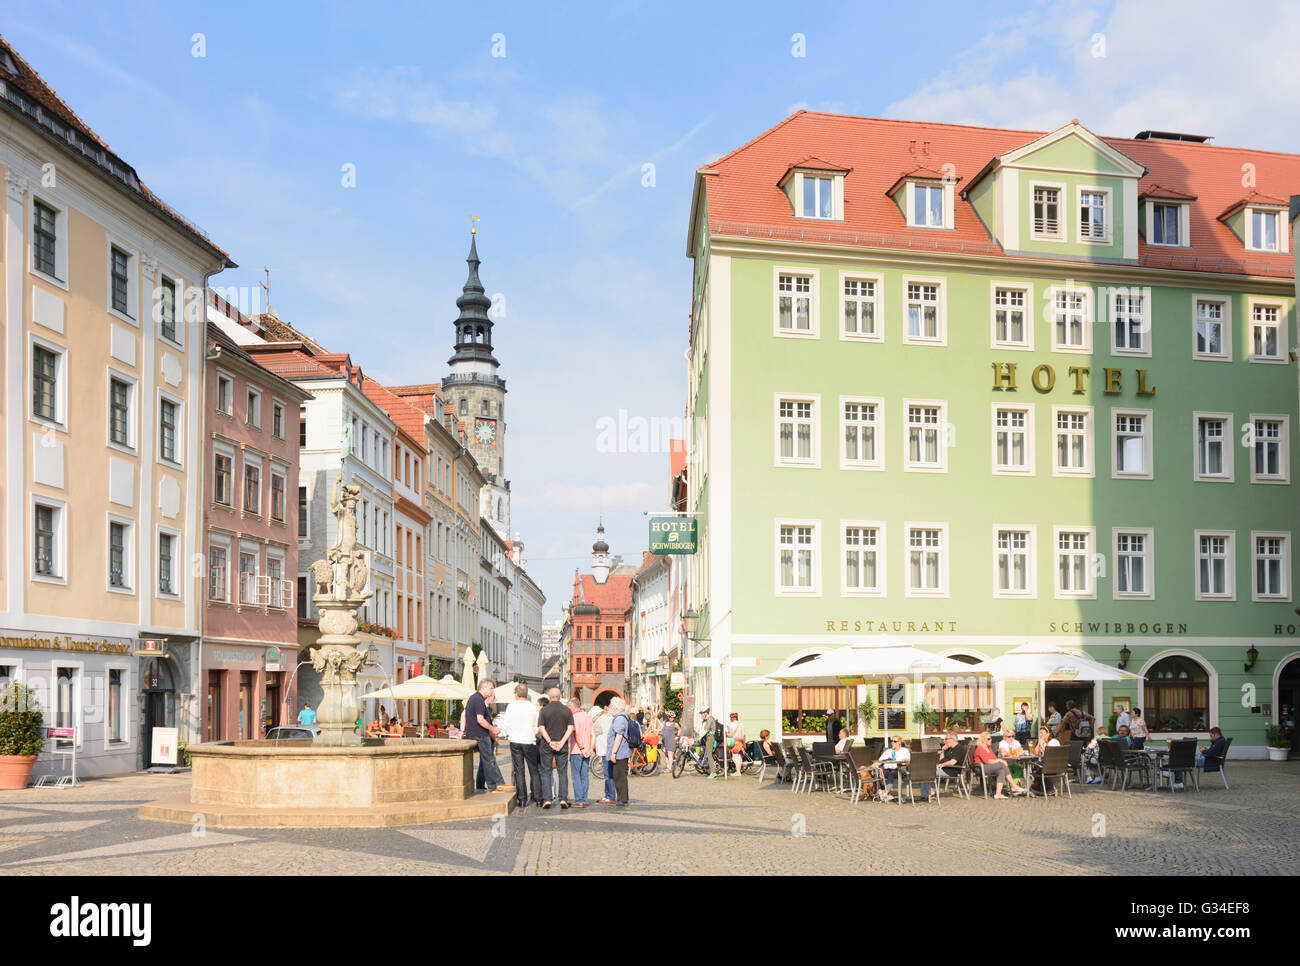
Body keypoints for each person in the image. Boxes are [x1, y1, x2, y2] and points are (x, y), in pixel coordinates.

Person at [499, 683, 542, 808]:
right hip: (529, 740)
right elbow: (537, 725)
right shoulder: (533, 707)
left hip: (515, 740)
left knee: (519, 770)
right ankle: (538, 798)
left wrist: (510, 734)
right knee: (533, 770)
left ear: (516, 694)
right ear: (526, 694)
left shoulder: (511, 707)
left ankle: (522, 799)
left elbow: (506, 724)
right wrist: (533, 733)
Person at [464, 679, 506, 793]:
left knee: (489, 760)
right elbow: (480, 720)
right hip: (480, 735)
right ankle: (494, 786)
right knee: (489, 761)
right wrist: (494, 729)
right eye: (491, 688)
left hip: (477, 734)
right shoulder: (478, 700)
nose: (492, 691)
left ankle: (500, 783)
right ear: (483, 688)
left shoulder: (476, 698)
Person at [537, 687, 574, 808]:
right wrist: (562, 741)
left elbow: (541, 727)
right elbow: (570, 728)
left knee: (546, 772)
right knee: (562, 772)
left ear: (549, 697)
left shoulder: (544, 710)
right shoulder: (567, 710)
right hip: (561, 746)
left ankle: (547, 799)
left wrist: (550, 741)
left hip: (547, 745)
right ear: (560, 696)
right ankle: (563, 798)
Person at [973, 731, 1025, 799]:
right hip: (980, 768)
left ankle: (998, 793)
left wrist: (999, 761)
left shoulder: (988, 748)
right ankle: (1014, 786)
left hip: (987, 766)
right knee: (1001, 764)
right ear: (983, 740)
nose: (990, 740)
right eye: (988, 739)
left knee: (1001, 771)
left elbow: (994, 758)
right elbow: (987, 761)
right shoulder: (980, 748)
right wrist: (1000, 760)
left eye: (991, 738)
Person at [605, 697, 633, 806]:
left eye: (611, 705)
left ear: (615, 707)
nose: (609, 707)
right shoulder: (621, 717)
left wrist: (613, 752)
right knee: (619, 776)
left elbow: (619, 736)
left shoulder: (620, 718)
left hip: (620, 753)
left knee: (620, 776)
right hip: (621, 752)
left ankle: (622, 799)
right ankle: (621, 798)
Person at [568, 696, 593, 807]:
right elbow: (593, 734)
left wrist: (582, 748)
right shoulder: (587, 716)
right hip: (587, 750)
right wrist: (590, 748)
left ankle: (579, 800)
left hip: (577, 750)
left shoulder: (574, 717)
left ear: (572, 706)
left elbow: (577, 734)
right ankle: (583, 798)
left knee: (576, 776)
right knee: (584, 776)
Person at [871, 736, 911, 801]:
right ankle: (881, 793)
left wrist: (900, 763)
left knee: (891, 773)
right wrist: (869, 768)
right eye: (892, 741)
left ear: (899, 742)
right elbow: (879, 761)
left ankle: (885, 792)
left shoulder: (904, 751)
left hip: (900, 770)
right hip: (887, 770)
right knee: (877, 774)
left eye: (895, 741)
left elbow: (908, 762)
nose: (892, 743)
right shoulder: (889, 751)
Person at [699, 707, 719, 776]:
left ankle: (713, 772)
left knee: (709, 754)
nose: (701, 715)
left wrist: (700, 737)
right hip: (708, 737)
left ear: (705, 713)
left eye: (702, 714)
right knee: (707, 753)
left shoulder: (710, 719)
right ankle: (708, 767)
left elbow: (706, 730)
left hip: (710, 737)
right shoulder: (708, 720)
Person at [727, 712, 746, 777]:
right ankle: (738, 770)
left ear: (732, 718)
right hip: (740, 741)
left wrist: (726, 734)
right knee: (739, 757)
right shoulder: (741, 724)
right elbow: (744, 735)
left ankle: (738, 772)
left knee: (735, 757)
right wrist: (744, 743)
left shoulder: (730, 724)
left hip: (734, 741)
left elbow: (730, 734)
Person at [660, 710, 678, 776]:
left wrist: (677, 736)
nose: (672, 719)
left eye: (673, 717)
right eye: (671, 717)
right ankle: (668, 767)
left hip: (671, 740)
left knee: (670, 754)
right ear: (668, 717)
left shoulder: (675, 724)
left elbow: (680, 729)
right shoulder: (664, 723)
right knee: (666, 754)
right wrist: (657, 732)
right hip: (664, 741)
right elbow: (660, 729)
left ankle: (669, 768)